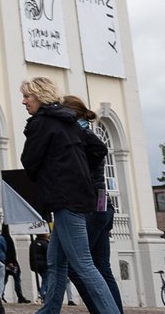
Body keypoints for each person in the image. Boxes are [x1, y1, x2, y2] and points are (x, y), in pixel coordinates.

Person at [21, 77, 122, 314]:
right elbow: (98, 149)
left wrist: (63, 170)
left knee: (84, 264)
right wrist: (78, 170)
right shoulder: (69, 122)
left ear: (40, 96)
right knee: (56, 263)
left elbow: (29, 161)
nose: (24, 101)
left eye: (27, 96)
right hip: (77, 198)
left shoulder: (42, 123)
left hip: (65, 199)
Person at [62, 97, 121, 312]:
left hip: (91, 208)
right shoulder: (88, 133)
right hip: (103, 205)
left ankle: (102, 310)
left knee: (76, 267)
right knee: (102, 267)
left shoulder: (79, 136)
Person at [0, 224, 27, 303]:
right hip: (10, 262)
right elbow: (10, 251)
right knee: (16, 279)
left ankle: (1, 294)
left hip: (3, 261)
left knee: (3, 280)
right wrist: (11, 262)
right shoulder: (6, 238)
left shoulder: (0, 237)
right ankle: (19, 295)